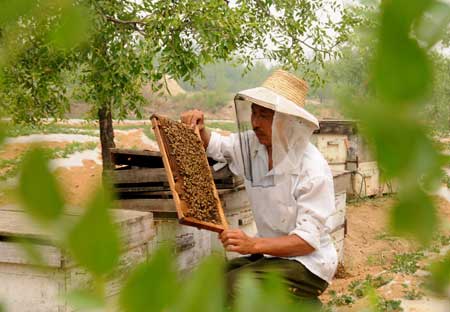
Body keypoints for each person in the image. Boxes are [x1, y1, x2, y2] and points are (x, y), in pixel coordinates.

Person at [181, 70, 337, 305]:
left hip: (309, 264)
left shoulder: (312, 169)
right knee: (214, 279)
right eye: (254, 113)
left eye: (264, 115)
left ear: (287, 119)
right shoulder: (252, 146)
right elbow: (217, 146)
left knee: (237, 286)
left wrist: (252, 244)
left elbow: (307, 241)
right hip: (271, 254)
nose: (255, 123)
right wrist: (200, 128)